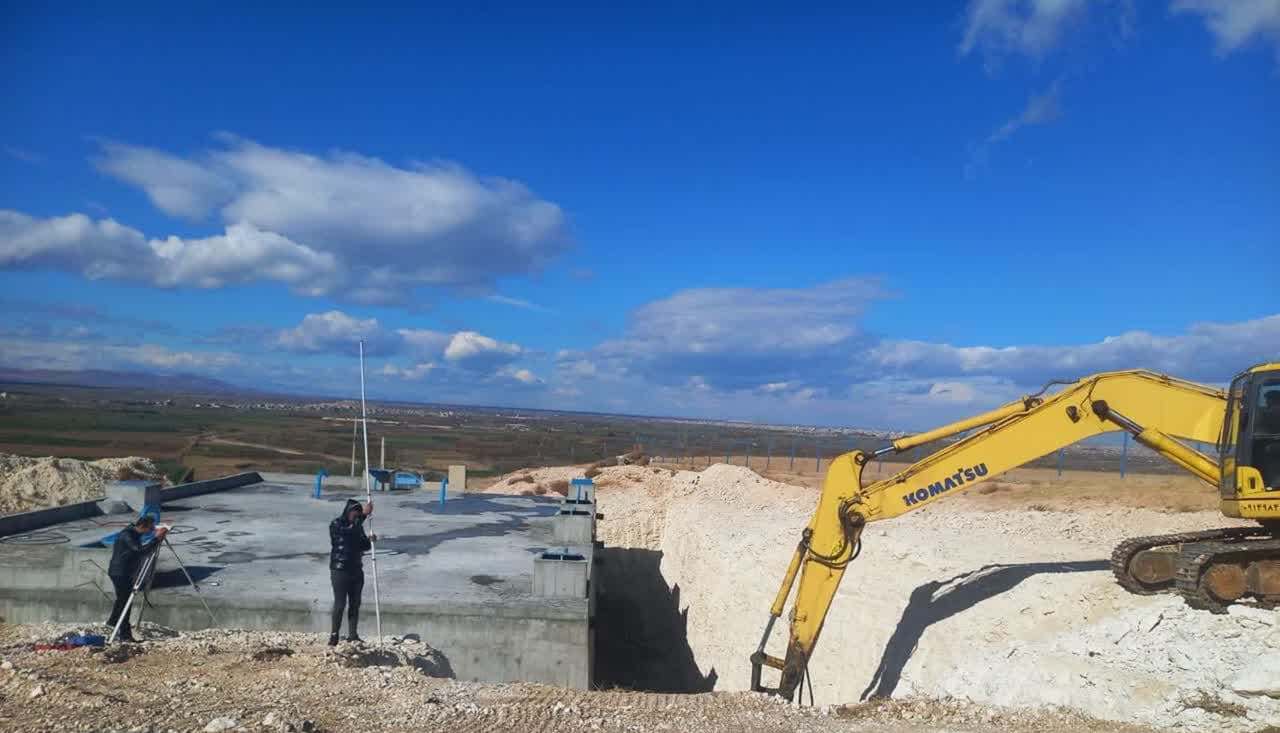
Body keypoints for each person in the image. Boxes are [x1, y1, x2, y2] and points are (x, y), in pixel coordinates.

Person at [106, 515, 168, 643]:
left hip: (124, 572)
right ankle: (124, 634)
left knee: (122, 600)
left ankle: (113, 621)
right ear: (142, 526)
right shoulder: (127, 535)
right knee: (125, 603)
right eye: (150, 528)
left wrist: (156, 538)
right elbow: (139, 551)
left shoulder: (133, 534)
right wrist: (156, 539)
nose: (151, 531)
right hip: (120, 573)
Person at [329, 498, 374, 646]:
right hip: (340, 570)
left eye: (359, 513)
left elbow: (363, 545)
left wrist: (370, 540)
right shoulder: (336, 524)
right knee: (340, 603)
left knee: (355, 603)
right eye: (355, 513)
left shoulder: (357, 527)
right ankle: (334, 634)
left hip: (356, 569)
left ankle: (353, 635)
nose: (357, 515)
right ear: (348, 512)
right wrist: (364, 517)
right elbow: (346, 536)